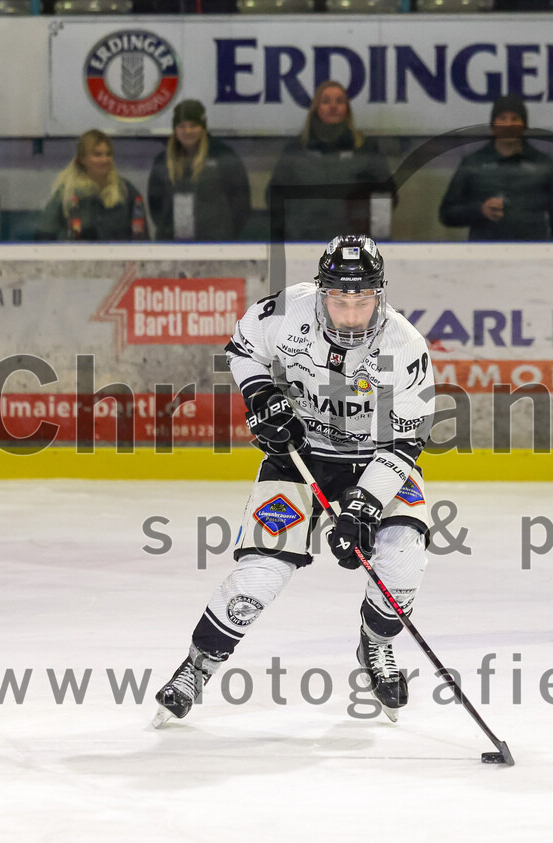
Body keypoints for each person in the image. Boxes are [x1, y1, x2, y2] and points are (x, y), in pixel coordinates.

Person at [154, 234, 435, 724]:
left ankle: (377, 642)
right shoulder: (283, 312)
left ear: (379, 294)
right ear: (322, 290)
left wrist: (363, 507)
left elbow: (405, 444)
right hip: (297, 456)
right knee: (260, 576)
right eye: (339, 297)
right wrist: (262, 395)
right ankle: (198, 665)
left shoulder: (404, 346)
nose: (351, 311)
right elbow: (243, 351)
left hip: (376, 462)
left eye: (362, 298)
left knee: (404, 558)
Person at [267, 82, 394, 242]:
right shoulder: (296, 149)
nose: (333, 107)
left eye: (339, 101)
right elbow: (275, 195)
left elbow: (384, 194)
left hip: (352, 244)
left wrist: (379, 237)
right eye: (326, 101)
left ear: (347, 109)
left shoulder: (366, 149)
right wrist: (284, 235)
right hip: (302, 241)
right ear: (316, 108)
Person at [438, 94, 553, 241]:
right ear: (493, 126)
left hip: (533, 255)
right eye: (502, 118)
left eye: (515, 119)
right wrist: (479, 210)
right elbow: (447, 214)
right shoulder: (473, 163)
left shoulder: (543, 164)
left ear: (524, 125)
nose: (508, 124)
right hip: (484, 255)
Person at [146, 99, 250, 241]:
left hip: (215, 243)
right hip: (172, 242)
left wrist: (225, 234)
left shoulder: (222, 155)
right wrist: (168, 229)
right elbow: (155, 204)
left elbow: (241, 202)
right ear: (175, 128)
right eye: (182, 126)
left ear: (203, 126)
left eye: (193, 125)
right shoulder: (162, 160)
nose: (187, 131)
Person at [35, 130, 148, 241]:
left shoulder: (126, 190)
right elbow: (44, 235)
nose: (104, 160)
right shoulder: (67, 193)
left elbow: (141, 237)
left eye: (108, 154)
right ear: (82, 158)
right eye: (97, 155)